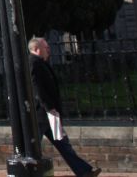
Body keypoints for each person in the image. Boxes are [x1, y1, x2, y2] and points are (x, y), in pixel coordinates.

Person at [29, 37, 102, 177]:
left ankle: (84, 172)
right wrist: (49, 107)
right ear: (37, 49)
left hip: (50, 115)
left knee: (63, 144)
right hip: (41, 115)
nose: (49, 50)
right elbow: (37, 89)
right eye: (46, 47)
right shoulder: (34, 63)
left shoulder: (40, 63)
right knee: (32, 148)